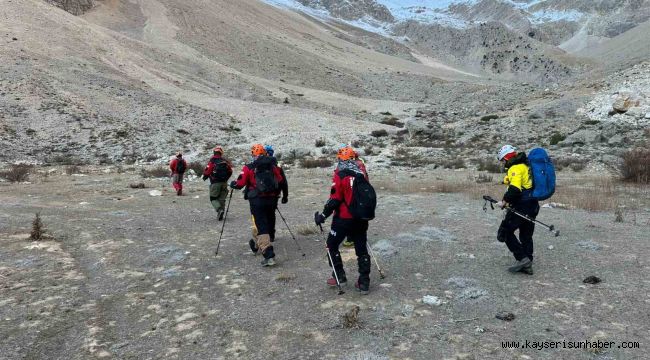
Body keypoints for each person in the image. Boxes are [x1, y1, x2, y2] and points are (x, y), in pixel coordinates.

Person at [314, 146, 372, 294]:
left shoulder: (340, 175)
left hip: (344, 219)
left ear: (341, 160)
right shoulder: (362, 174)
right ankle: (364, 282)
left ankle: (339, 276)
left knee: (331, 245)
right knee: (361, 249)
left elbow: (335, 199)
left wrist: (323, 216)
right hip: (361, 218)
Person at [230, 144, 288, 266]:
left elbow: (240, 183)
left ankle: (268, 254)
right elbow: (281, 181)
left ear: (253, 155)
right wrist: (283, 196)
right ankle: (257, 244)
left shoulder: (249, 167)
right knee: (266, 221)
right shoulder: (273, 165)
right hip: (272, 199)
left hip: (257, 201)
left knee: (260, 225)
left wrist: (233, 184)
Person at [495, 145, 539, 275]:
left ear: (507, 157)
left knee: (505, 233)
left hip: (521, 206)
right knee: (526, 234)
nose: (503, 163)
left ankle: (522, 259)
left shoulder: (515, 168)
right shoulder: (525, 166)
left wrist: (504, 202)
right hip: (533, 205)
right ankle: (527, 264)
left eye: (502, 160)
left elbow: (515, 189)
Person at [202, 146, 233, 220]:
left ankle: (219, 210)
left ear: (214, 152)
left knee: (213, 198)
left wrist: (205, 177)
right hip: (224, 183)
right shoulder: (225, 161)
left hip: (215, 183)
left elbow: (207, 171)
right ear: (221, 153)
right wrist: (226, 179)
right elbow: (230, 171)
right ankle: (222, 213)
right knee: (222, 199)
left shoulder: (212, 161)